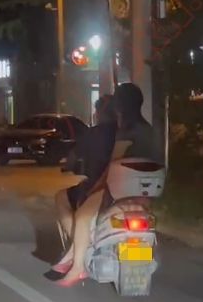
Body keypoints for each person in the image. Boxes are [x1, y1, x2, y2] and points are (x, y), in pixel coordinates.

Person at [54, 82, 157, 288]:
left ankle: (78, 267)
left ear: (119, 106)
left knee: (83, 217)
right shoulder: (150, 130)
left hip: (120, 191)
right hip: (145, 194)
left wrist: (95, 190)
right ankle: (77, 254)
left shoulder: (127, 131)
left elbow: (113, 167)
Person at [53, 95, 117, 276]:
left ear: (100, 113)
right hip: (122, 189)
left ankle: (79, 248)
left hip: (97, 188)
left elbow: (74, 157)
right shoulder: (124, 133)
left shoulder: (93, 134)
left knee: (61, 197)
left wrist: (68, 165)